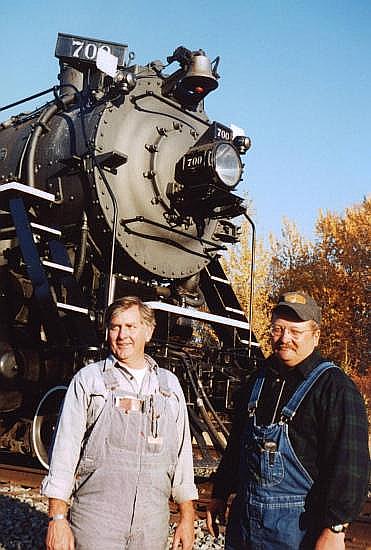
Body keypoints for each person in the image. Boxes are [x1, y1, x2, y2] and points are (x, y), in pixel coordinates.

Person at [206, 290, 369, 549]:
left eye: (295, 332)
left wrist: (335, 528)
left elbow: (350, 466)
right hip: (243, 526)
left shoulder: (335, 388)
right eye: (277, 329)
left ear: (315, 336)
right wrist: (220, 494)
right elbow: (237, 446)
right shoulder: (257, 381)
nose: (284, 339)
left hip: (297, 531)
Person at [42, 296, 197, 550]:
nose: (122, 334)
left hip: (152, 525)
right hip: (96, 523)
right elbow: (64, 452)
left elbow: (182, 458)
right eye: (115, 327)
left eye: (130, 327)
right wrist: (57, 519)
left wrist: (187, 517)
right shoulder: (89, 381)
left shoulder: (169, 386)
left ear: (148, 331)